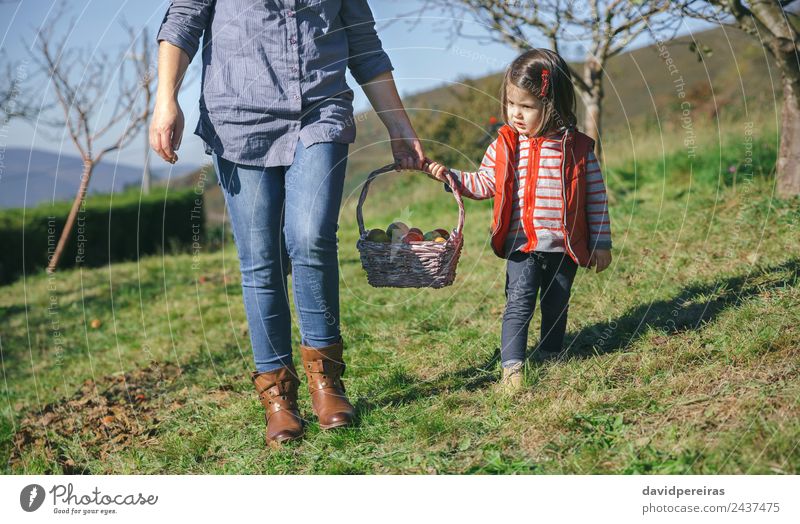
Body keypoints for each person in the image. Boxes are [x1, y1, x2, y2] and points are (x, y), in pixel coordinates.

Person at [151, 1, 427, 446]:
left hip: (320, 110)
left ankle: (327, 382)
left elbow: (364, 44)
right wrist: (166, 100)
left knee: (311, 236)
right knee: (261, 260)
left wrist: (399, 126)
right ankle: (278, 396)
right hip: (238, 118)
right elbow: (182, 22)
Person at [425, 48, 613, 393]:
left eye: (526, 106)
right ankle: (512, 367)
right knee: (519, 302)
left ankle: (552, 353)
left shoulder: (579, 149)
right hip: (521, 245)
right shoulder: (505, 146)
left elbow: (596, 200)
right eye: (511, 104)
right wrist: (450, 177)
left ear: (552, 104)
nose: (516, 114)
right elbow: (484, 183)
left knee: (557, 302)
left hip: (564, 245)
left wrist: (601, 242)